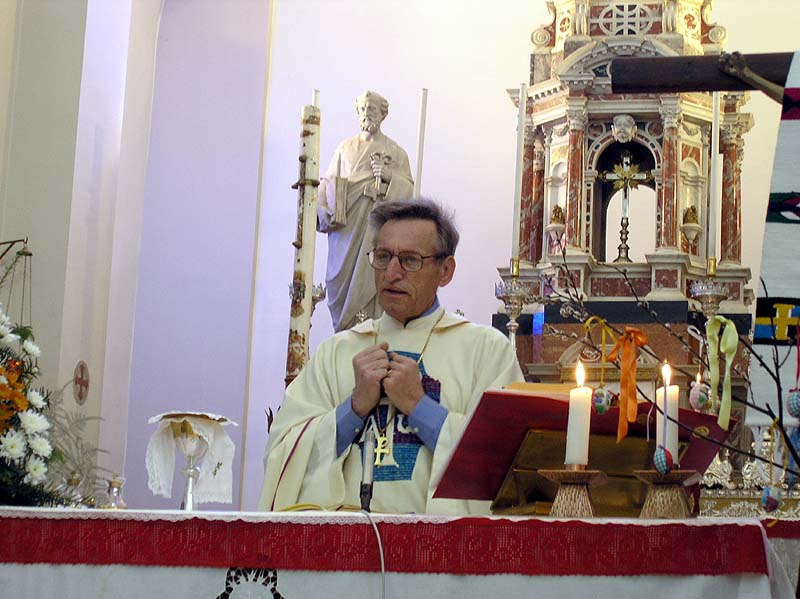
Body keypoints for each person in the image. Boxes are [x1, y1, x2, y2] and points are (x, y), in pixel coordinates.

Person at [260, 199, 524, 514]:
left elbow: (506, 460)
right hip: (347, 539)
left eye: (410, 260)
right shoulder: (336, 353)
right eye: (383, 257)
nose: (391, 273)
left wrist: (419, 406)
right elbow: (283, 454)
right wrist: (353, 408)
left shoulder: (486, 351)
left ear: (445, 271)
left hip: (438, 541)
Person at [317, 90, 414, 332]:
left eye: (371, 108)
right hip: (346, 235)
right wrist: (322, 205)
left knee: (373, 283)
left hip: (375, 234)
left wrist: (388, 176)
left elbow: (408, 192)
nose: (366, 113)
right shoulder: (345, 148)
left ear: (383, 113)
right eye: (362, 108)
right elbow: (326, 186)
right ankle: (344, 335)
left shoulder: (396, 152)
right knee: (343, 292)